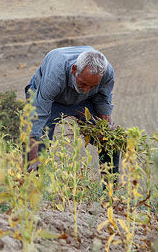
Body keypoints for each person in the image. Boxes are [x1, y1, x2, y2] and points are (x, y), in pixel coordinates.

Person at [25, 46, 119, 174]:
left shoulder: (106, 73)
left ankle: (109, 190)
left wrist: (106, 130)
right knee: (37, 151)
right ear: (74, 70)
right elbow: (37, 115)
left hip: (84, 102)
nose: (87, 90)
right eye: (84, 84)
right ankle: (31, 189)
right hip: (51, 100)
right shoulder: (55, 74)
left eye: (93, 86)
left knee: (110, 143)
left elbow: (103, 100)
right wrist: (34, 160)